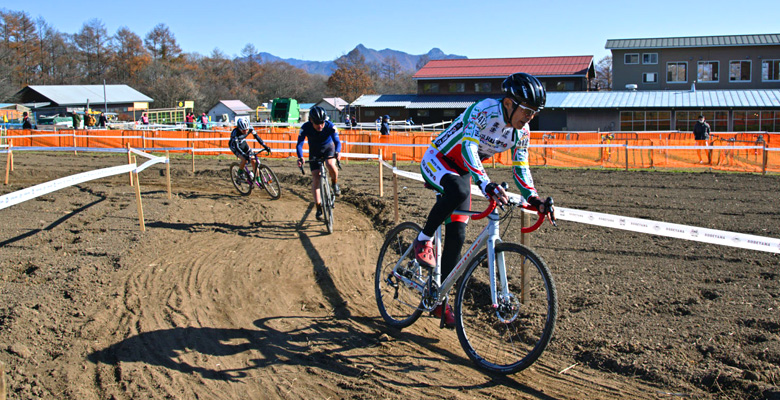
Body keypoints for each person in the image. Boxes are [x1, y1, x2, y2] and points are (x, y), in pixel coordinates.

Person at [413, 73, 554, 327]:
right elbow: (468, 147)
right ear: (509, 103)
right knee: (458, 190)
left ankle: (439, 302)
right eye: (527, 111)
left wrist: (534, 198)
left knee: (457, 235)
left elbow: (521, 167)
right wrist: (485, 183)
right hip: (439, 159)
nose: (530, 117)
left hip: (463, 171)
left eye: (535, 112)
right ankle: (422, 240)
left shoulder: (522, 132)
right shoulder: (484, 110)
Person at [296, 106, 342, 221]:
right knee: (316, 177)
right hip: (314, 152)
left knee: (330, 164)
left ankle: (334, 183)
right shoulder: (305, 127)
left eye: (322, 122)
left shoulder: (330, 126)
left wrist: (338, 152)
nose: (320, 126)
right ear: (311, 120)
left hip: (328, 148)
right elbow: (299, 144)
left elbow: (337, 141)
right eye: (317, 123)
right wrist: (300, 157)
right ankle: (318, 208)